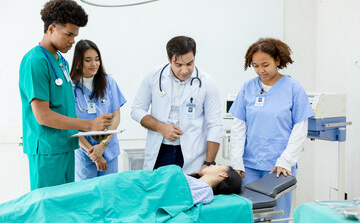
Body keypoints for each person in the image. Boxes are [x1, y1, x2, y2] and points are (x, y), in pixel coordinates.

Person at [19, 0, 113, 191]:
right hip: (47, 150)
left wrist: (92, 131)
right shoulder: (35, 61)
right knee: (48, 209)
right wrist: (87, 125)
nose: (73, 41)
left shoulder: (60, 61)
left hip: (66, 146)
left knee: (64, 207)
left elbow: (64, 108)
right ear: (51, 28)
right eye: (68, 34)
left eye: (75, 35)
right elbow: (43, 116)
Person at [229, 38, 314, 219]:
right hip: (249, 165)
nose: (261, 70)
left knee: (278, 216)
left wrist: (286, 160)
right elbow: (238, 127)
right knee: (248, 214)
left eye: (265, 64)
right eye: (255, 65)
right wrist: (237, 160)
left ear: (277, 60)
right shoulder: (248, 88)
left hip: (279, 167)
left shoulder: (293, 88)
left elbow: (300, 128)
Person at [0, 165, 246, 223]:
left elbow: (169, 201)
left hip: (118, 194)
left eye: (218, 165)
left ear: (224, 175)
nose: (212, 164)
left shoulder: (204, 190)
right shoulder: (195, 183)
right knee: (48, 197)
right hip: (119, 185)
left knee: (49, 202)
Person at [131, 36, 223, 174]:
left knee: (189, 193)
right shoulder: (153, 76)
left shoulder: (207, 82)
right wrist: (160, 127)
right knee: (159, 192)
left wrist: (209, 162)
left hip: (193, 154)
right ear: (169, 60)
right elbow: (136, 110)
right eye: (178, 65)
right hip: (160, 151)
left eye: (189, 64)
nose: (184, 70)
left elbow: (215, 125)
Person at [70, 39, 127, 181]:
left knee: (109, 192)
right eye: (88, 60)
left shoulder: (109, 83)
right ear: (78, 62)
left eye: (97, 59)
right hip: (84, 151)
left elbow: (116, 117)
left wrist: (103, 146)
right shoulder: (69, 88)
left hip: (108, 148)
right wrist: (93, 153)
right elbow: (71, 125)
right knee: (86, 195)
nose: (94, 64)